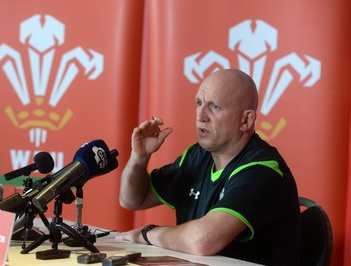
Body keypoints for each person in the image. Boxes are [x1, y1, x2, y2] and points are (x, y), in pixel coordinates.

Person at [116, 69, 301, 265]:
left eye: (214, 106)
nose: (200, 116)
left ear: (246, 120)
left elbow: (202, 241)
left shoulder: (263, 169)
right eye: (198, 103)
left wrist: (147, 233)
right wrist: (139, 157)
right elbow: (132, 199)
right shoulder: (197, 156)